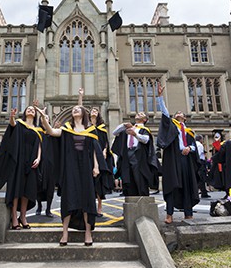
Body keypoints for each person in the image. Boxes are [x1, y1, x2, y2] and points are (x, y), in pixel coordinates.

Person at [36, 98, 105, 246]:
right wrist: (43, 117)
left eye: (78, 109)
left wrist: (96, 166)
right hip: (70, 167)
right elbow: (51, 131)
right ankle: (65, 232)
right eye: (73, 109)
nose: (75, 110)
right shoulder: (66, 128)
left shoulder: (91, 130)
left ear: (83, 113)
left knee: (87, 199)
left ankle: (87, 232)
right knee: (68, 198)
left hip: (86, 167)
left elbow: (94, 150)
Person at [0, 105, 42, 230]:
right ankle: (14, 217)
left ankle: (23, 216)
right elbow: (12, 126)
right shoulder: (19, 124)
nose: (31, 110)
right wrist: (12, 117)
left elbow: (40, 144)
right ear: (24, 112)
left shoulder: (37, 129)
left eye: (33, 110)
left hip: (31, 161)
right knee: (17, 189)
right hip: (18, 160)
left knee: (27, 191)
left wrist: (39, 158)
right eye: (28, 109)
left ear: (35, 114)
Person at [156, 83, 200, 223]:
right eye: (177, 113)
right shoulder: (172, 126)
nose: (179, 113)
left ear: (185, 118)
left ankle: (188, 213)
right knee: (172, 185)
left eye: (181, 113)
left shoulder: (189, 131)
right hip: (174, 159)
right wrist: (160, 97)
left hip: (186, 160)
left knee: (187, 186)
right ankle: (169, 215)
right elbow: (164, 114)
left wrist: (190, 149)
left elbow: (194, 146)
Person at [80, 88, 114, 217]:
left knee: (99, 182)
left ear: (98, 114)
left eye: (96, 110)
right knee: (88, 182)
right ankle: (89, 206)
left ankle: (99, 207)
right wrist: (81, 96)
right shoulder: (87, 127)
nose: (94, 111)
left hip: (100, 156)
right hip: (88, 156)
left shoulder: (102, 128)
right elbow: (80, 110)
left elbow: (105, 141)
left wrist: (105, 151)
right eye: (92, 110)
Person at [111, 110, 159, 198]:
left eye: (142, 114)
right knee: (128, 180)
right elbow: (114, 133)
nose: (138, 114)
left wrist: (135, 134)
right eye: (138, 113)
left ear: (145, 119)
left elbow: (146, 140)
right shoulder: (129, 128)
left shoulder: (144, 130)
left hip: (138, 155)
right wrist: (124, 125)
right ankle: (130, 206)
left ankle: (143, 205)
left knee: (139, 179)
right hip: (127, 154)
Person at [208, 129, 227, 197]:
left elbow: (220, 152)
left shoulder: (223, 144)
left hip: (223, 164)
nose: (216, 139)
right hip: (217, 164)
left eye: (217, 137)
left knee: (224, 178)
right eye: (215, 137)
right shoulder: (216, 145)